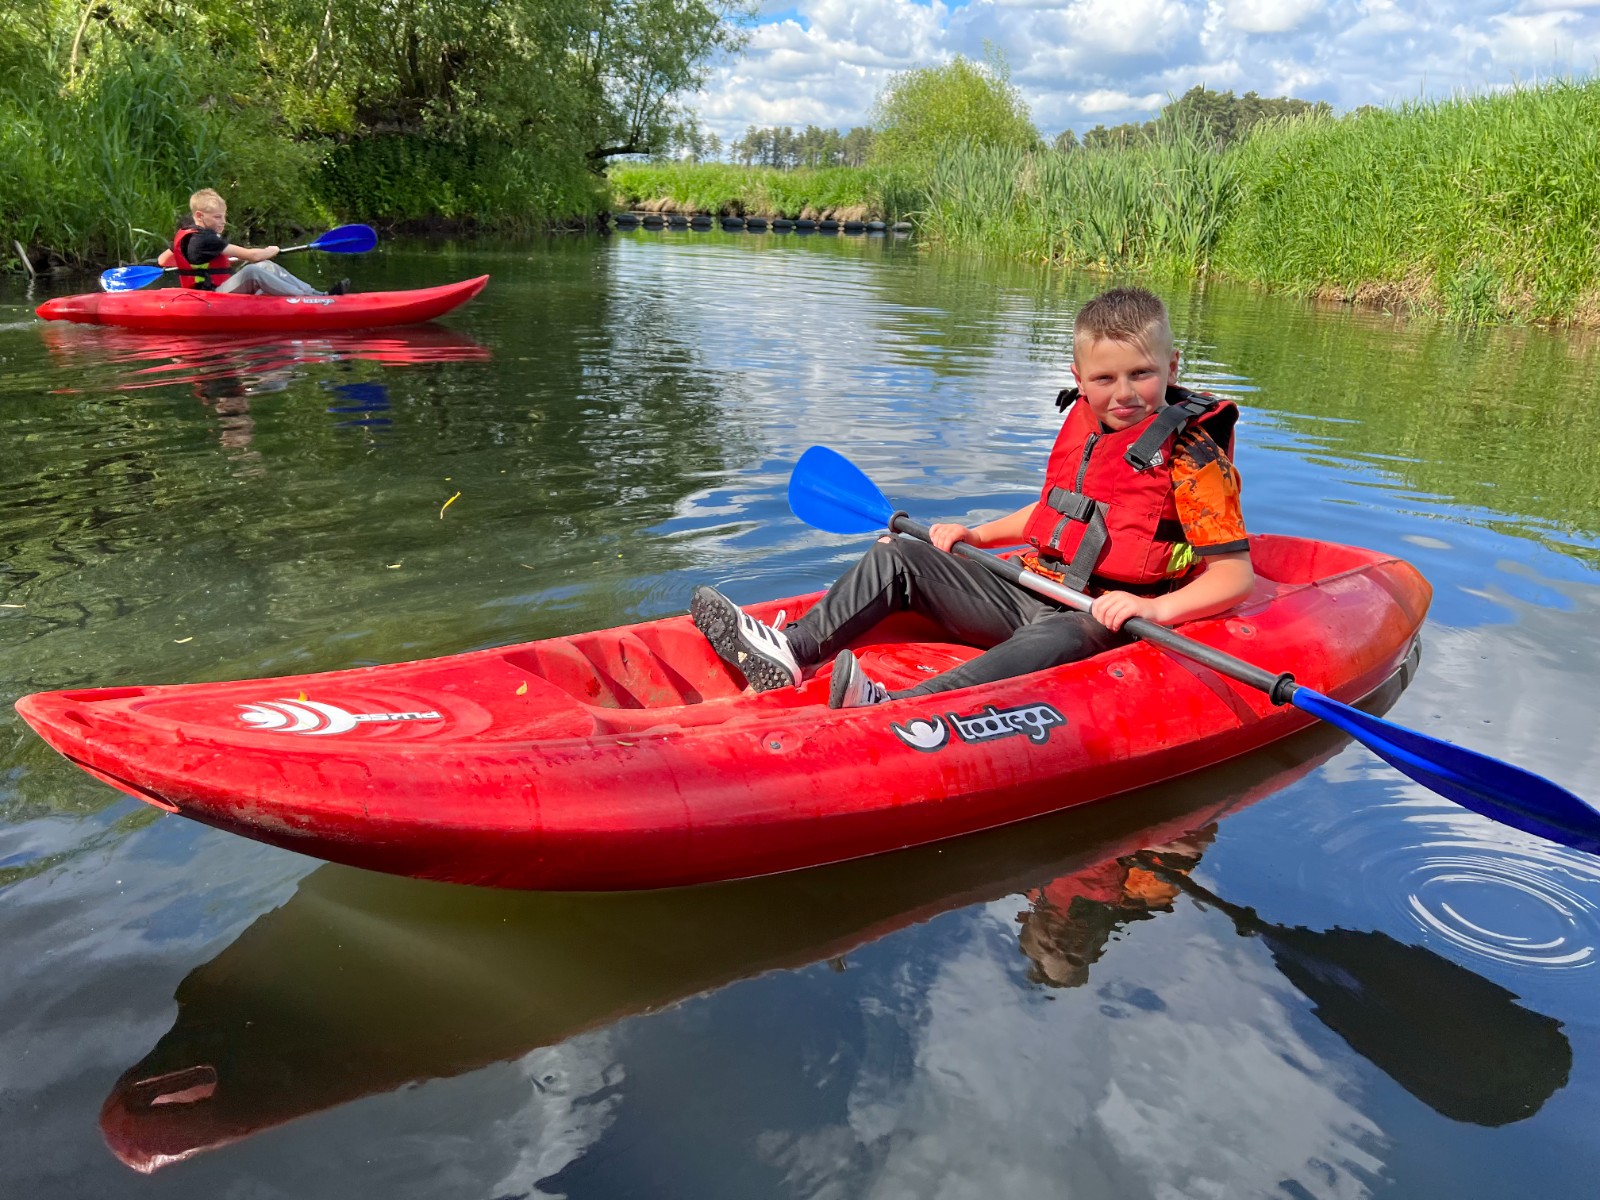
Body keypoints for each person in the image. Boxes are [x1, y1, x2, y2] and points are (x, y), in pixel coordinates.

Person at [690, 286, 1254, 708]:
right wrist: (977, 535)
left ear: (1171, 367)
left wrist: (1153, 609)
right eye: (1105, 379)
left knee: (1061, 633)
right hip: (1032, 585)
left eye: (1142, 374)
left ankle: (900, 707)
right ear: (1079, 376)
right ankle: (791, 649)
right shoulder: (1086, 424)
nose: (1124, 393)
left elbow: (1234, 576)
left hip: (1103, 619)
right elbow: (1059, 511)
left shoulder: (1193, 457)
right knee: (900, 554)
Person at [156, 189, 349, 297]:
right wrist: (273, 249)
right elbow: (253, 256)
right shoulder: (205, 239)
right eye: (217, 217)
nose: (223, 222)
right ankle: (309, 300)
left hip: (210, 291)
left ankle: (317, 295)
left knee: (266, 265)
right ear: (199, 216)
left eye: (223, 216)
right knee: (253, 270)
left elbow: (163, 261)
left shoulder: (186, 235)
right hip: (209, 296)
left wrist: (201, 263)